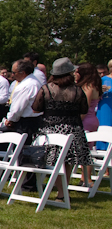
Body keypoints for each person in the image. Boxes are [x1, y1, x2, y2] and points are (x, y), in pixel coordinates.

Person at [33, 57, 92, 199]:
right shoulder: (77, 91)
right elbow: (84, 110)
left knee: (54, 162)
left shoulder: (46, 89)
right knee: (68, 162)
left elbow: (36, 108)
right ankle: (62, 191)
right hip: (72, 129)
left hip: (50, 129)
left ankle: (60, 190)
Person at [4, 60, 43, 139]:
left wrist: (10, 119)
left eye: (14, 72)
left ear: (23, 72)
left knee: (22, 149)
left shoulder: (27, 85)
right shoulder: (34, 82)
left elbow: (18, 107)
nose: (12, 75)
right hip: (30, 121)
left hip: (26, 123)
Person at [76, 62, 101, 132]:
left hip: (86, 120)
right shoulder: (93, 85)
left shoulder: (87, 87)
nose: (75, 74)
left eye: (77, 72)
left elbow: (85, 107)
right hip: (91, 119)